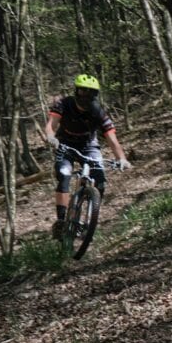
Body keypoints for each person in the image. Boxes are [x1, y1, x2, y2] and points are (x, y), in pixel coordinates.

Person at [44, 74, 129, 238]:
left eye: (91, 93)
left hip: (88, 145)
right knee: (64, 174)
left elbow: (112, 139)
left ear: (95, 95)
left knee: (100, 179)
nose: (86, 96)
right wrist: (50, 137)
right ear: (76, 91)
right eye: (83, 91)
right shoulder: (64, 103)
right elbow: (51, 125)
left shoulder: (98, 112)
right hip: (65, 143)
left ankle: (90, 214)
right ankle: (61, 222)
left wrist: (122, 158)